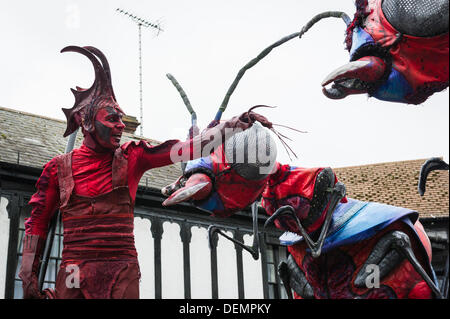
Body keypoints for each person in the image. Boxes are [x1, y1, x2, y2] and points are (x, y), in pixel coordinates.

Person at [18, 45, 267, 299]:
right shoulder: (59, 168)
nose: (119, 126)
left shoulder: (132, 157)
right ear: (87, 122)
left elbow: (190, 149)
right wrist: (28, 278)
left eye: (121, 120)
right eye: (112, 119)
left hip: (121, 271)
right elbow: (36, 222)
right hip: (73, 273)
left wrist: (234, 125)